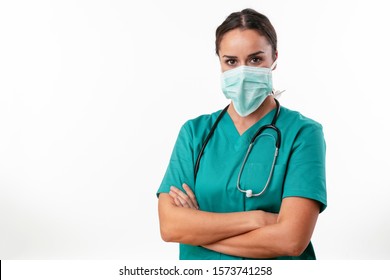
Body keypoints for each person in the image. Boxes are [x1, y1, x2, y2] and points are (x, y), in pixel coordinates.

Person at [157, 8, 327, 260]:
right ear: (219, 61)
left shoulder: (303, 133)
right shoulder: (195, 133)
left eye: (255, 59)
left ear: (275, 57)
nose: (243, 71)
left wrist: (198, 234)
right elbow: (171, 227)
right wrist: (257, 219)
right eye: (231, 61)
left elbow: (291, 240)